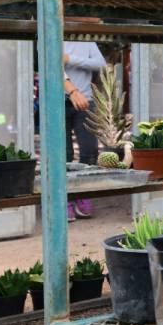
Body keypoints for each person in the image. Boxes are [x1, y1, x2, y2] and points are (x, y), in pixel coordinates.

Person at [64, 42, 106, 220]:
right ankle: (63, 197)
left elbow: (101, 63)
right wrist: (72, 91)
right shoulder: (52, 35)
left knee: (90, 151)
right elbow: (50, 67)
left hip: (86, 101)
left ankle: (82, 193)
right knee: (63, 153)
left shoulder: (87, 40)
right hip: (57, 99)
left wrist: (70, 59)